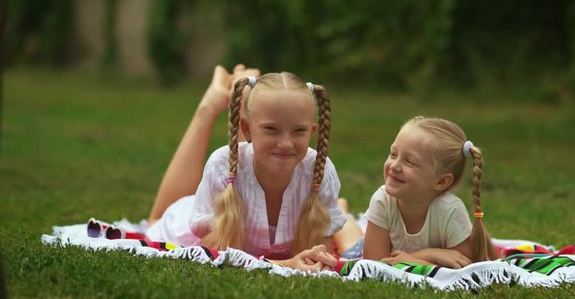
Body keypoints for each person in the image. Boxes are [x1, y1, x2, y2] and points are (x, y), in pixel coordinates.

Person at [145, 65, 345, 271]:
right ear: (245, 129)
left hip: (241, 167)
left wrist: (317, 261)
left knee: (255, 154)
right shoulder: (221, 166)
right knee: (154, 220)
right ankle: (211, 102)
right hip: (183, 219)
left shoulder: (320, 173)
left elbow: (323, 257)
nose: (286, 143)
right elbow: (214, 256)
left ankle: (241, 96)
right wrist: (285, 264)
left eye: (299, 131)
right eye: (271, 129)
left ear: (311, 132)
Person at [335, 116, 496, 268]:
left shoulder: (450, 210)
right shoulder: (383, 199)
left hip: (396, 251)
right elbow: (376, 264)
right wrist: (424, 257)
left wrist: (415, 258)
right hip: (366, 247)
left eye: (409, 161)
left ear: (441, 182)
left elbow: (463, 265)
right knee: (349, 244)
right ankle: (341, 211)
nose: (394, 166)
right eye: (393, 154)